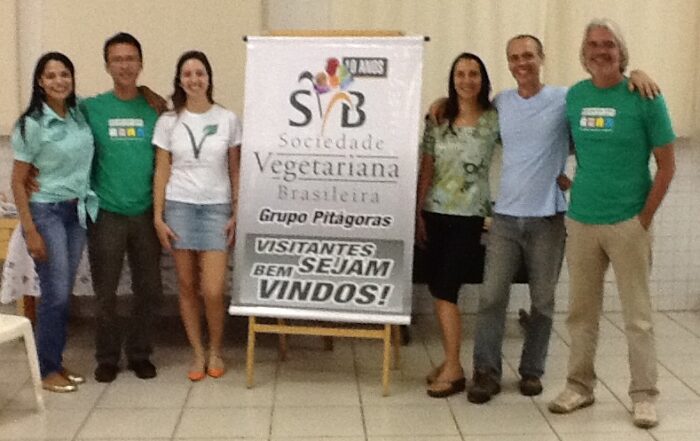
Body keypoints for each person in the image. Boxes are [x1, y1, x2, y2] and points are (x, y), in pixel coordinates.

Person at [548, 19, 675, 429]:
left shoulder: (645, 96)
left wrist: (643, 219)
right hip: (582, 221)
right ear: (583, 53)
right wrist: (572, 184)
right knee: (580, 313)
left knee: (637, 317)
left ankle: (644, 395)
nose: (601, 51)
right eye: (594, 45)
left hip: (628, 223)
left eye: (609, 44)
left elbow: (667, 165)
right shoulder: (575, 96)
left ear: (621, 52)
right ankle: (579, 386)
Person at [466, 35, 568, 404]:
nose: (521, 63)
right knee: (492, 297)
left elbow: (591, 134)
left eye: (528, 55)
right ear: (508, 63)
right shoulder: (501, 103)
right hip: (505, 219)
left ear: (541, 58)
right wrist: (440, 103)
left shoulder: (564, 99)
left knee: (542, 301)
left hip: (548, 218)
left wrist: (636, 76)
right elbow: (467, 111)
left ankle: (532, 370)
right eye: (514, 57)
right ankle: (486, 372)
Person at [10, 52, 98, 392]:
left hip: (77, 212)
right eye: (51, 76)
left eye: (65, 74)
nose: (59, 81)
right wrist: (30, 230)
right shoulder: (32, 124)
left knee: (63, 292)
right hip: (46, 212)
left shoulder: (78, 114)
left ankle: (55, 362)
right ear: (40, 82)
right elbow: (18, 181)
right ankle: (47, 370)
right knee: (55, 295)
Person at [152, 51, 241, 381]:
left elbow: (235, 170)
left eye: (200, 73)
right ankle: (198, 353)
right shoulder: (168, 122)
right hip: (180, 208)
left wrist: (237, 211)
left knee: (213, 289)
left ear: (209, 78)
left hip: (217, 209)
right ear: (179, 80)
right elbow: (162, 170)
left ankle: (216, 349)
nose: (194, 79)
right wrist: (158, 216)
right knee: (187, 286)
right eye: (187, 74)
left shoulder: (228, 119)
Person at [80, 32, 164, 383]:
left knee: (150, 290)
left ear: (140, 64)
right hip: (106, 214)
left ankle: (140, 353)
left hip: (146, 213)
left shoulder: (156, 108)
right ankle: (107, 357)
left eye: (130, 59)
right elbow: (61, 134)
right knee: (105, 293)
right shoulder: (91, 108)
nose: (124, 65)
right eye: (117, 59)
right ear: (107, 66)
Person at [416, 53, 500, 398]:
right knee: (439, 289)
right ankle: (449, 359)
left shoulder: (495, 119)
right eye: (461, 74)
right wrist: (418, 211)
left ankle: (454, 368)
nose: (467, 80)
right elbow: (427, 165)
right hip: (434, 212)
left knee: (447, 289)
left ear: (483, 79)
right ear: (453, 80)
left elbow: (528, 144)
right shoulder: (438, 117)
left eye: (473, 74)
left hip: (469, 216)